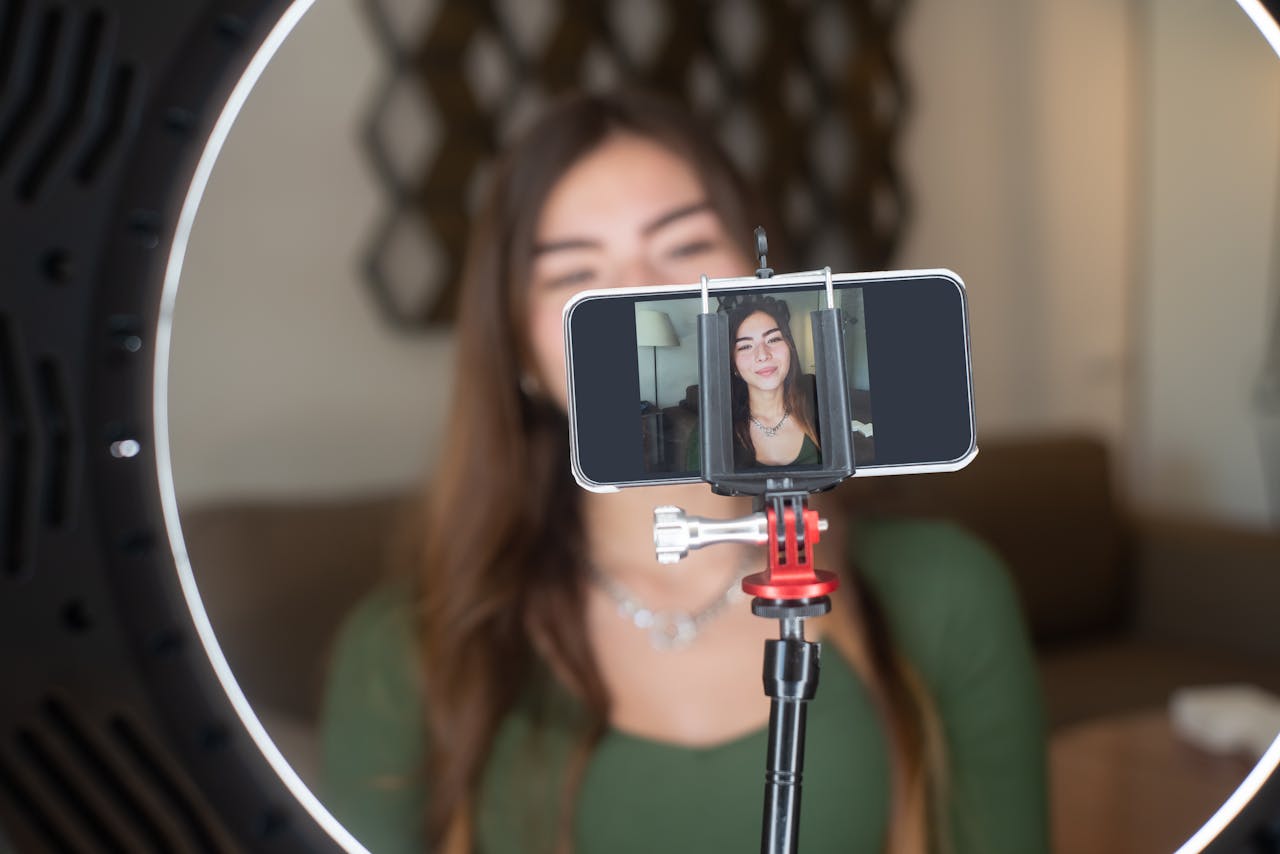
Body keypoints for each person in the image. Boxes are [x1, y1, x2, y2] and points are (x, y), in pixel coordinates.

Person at [320, 90, 1048, 854]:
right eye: (574, 273)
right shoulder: (405, 652)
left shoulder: (946, 594)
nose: (643, 293)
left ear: (767, 291)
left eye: (687, 248)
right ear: (523, 356)